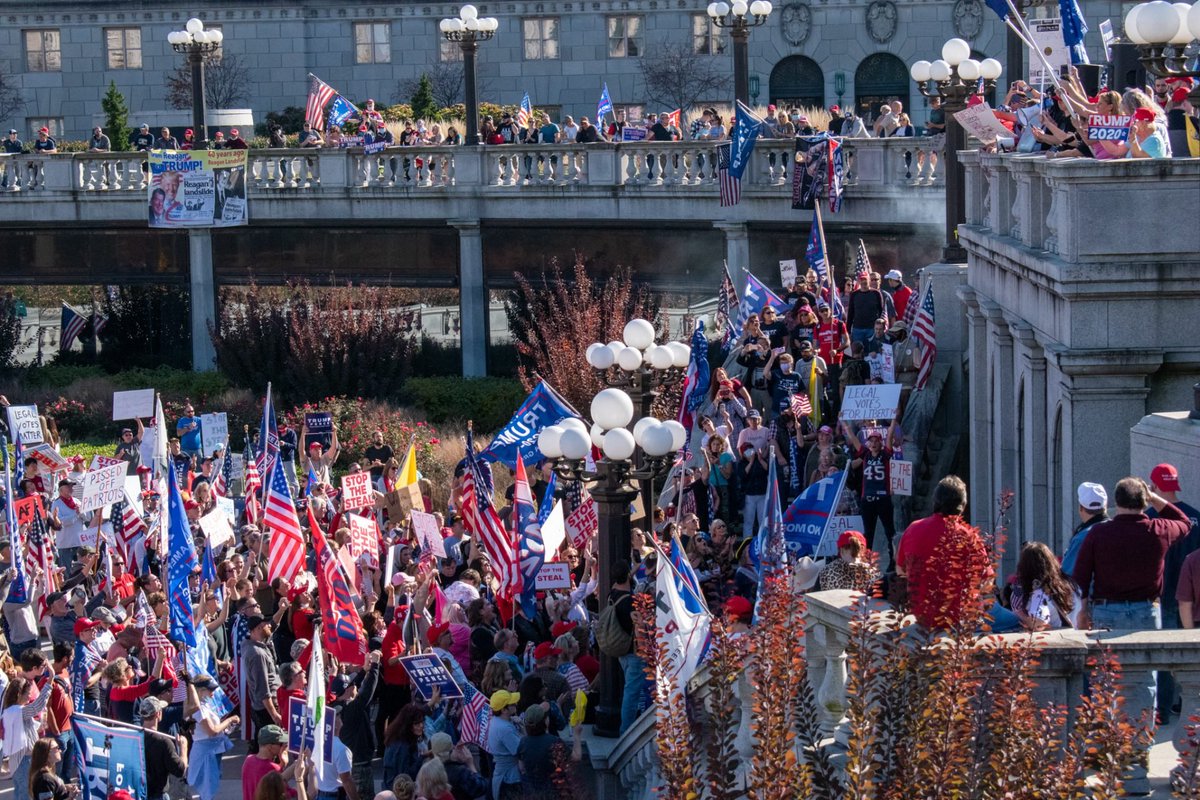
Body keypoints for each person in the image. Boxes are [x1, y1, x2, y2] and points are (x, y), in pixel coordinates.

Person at [894, 475, 991, 630]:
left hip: (922, 616)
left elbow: (900, 570)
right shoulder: (969, 537)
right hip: (958, 618)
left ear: (935, 502)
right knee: (1010, 621)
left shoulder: (913, 528)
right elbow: (986, 580)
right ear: (963, 506)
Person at [842, 418, 899, 562]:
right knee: (868, 532)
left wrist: (893, 420)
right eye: (871, 441)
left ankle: (893, 560)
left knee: (889, 531)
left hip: (883, 499)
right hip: (867, 499)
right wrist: (844, 423)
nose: (873, 444)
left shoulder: (885, 455)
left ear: (880, 443)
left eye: (876, 441)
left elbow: (890, 435)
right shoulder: (865, 454)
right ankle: (866, 560)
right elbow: (854, 439)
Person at [187, 675, 239, 800]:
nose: (213, 692)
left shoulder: (205, 705)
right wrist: (230, 720)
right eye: (210, 690)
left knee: (210, 788)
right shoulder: (197, 709)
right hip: (205, 753)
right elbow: (212, 731)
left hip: (212, 750)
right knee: (207, 791)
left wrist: (226, 725)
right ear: (199, 691)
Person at [1, 676, 53, 800]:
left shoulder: (10, 711)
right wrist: (50, 681)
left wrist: (40, 726)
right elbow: (38, 706)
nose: (30, 697)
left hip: (17, 760)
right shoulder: (19, 711)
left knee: (20, 792)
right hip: (24, 760)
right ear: (19, 694)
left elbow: (30, 728)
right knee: (26, 793)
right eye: (28, 694)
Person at [1010, 542, 1080, 631]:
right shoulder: (1071, 584)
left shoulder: (1040, 592)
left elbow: (1038, 622)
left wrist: (1020, 615)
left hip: (1057, 641)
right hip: (1077, 637)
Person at [139, 696, 188, 800]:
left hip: (139, 793)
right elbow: (180, 770)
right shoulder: (163, 742)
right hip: (158, 795)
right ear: (158, 714)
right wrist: (183, 748)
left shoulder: (133, 737)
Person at [241, 725, 301, 800]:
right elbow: (290, 794)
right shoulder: (272, 768)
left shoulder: (248, 760)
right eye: (281, 744)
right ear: (270, 747)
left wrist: (282, 765)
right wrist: (301, 777)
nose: (285, 746)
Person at [1061, 482, 1108, 576]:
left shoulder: (1082, 538)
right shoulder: (1115, 530)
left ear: (1081, 508)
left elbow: (1067, 572)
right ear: (1105, 506)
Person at [485, 690, 523, 800]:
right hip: (510, 778)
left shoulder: (496, 721)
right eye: (512, 704)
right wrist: (524, 729)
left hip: (503, 775)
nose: (516, 704)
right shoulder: (505, 729)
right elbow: (520, 750)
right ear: (503, 710)